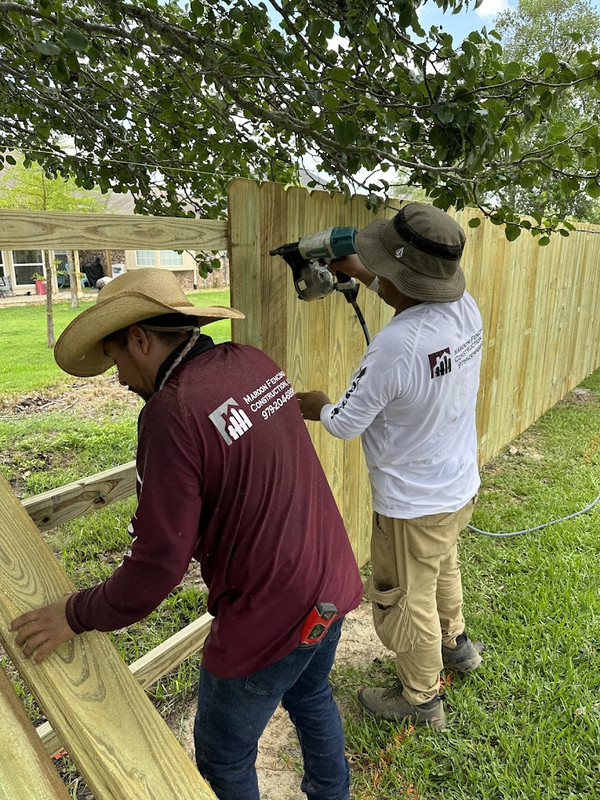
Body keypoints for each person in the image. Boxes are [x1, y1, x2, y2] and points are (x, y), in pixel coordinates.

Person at [11, 268, 364, 800]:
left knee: (223, 759)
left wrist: (74, 613)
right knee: (312, 694)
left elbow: (157, 566)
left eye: (116, 361)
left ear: (140, 339)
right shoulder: (252, 362)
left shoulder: (171, 412)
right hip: (329, 579)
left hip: (268, 614)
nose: (121, 379)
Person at [297, 203, 484, 731]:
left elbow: (344, 423)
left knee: (407, 597)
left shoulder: (394, 348)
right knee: (441, 565)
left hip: (411, 502)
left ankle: (421, 699)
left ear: (399, 277)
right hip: (456, 485)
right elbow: (411, 302)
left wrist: (314, 404)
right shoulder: (464, 308)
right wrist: (362, 271)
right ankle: (457, 646)